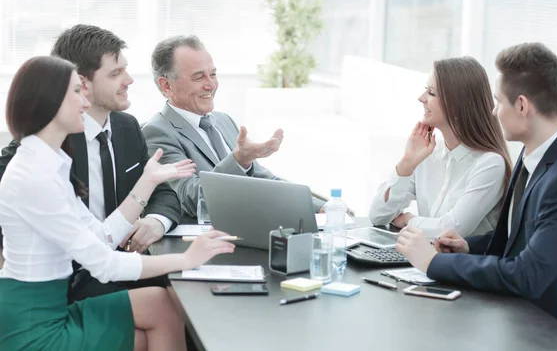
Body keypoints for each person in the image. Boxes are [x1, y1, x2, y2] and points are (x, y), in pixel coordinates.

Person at [0, 55, 235, 350]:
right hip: (32, 325)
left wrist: (147, 180)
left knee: (162, 304)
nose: (85, 103)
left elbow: (101, 237)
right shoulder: (35, 177)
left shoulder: (50, 163)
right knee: (145, 334)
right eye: (76, 92)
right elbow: (103, 264)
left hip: (49, 307)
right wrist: (187, 260)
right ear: (50, 101)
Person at [396, 43, 557, 344]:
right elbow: (516, 239)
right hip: (519, 319)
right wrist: (468, 247)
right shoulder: (532, 154)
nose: (492, 111)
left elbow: (527, 274)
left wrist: (433, 263)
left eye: (497, 101)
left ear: (521, 106)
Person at [0, 24, 181, 301]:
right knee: (164, 300)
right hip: (71, 279)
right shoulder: (43, 146)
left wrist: (156, 221)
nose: (129, 80)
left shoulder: (127, 128)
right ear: (81, 83)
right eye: (116, 73)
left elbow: (163, 192)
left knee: (183, 288)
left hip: (120, 258)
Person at [142, 35, 325, 220]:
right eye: (199, 77)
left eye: (213, 74)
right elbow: (194, 200)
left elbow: (262, 180)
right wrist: (239, 160)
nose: (211, 85)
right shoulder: (157, 133)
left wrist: (319, 208)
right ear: (166, 86)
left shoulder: (223, 120)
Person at [369, 56, 511, 238]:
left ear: (457, 103)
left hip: (459, 265)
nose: (421, 98)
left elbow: (451, 230)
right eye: (425, 90)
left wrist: (408, 220)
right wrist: (407, 163)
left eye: (431, 92)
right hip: (425, 261)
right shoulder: (428, 154)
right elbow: (378, 216)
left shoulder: (490, 164)